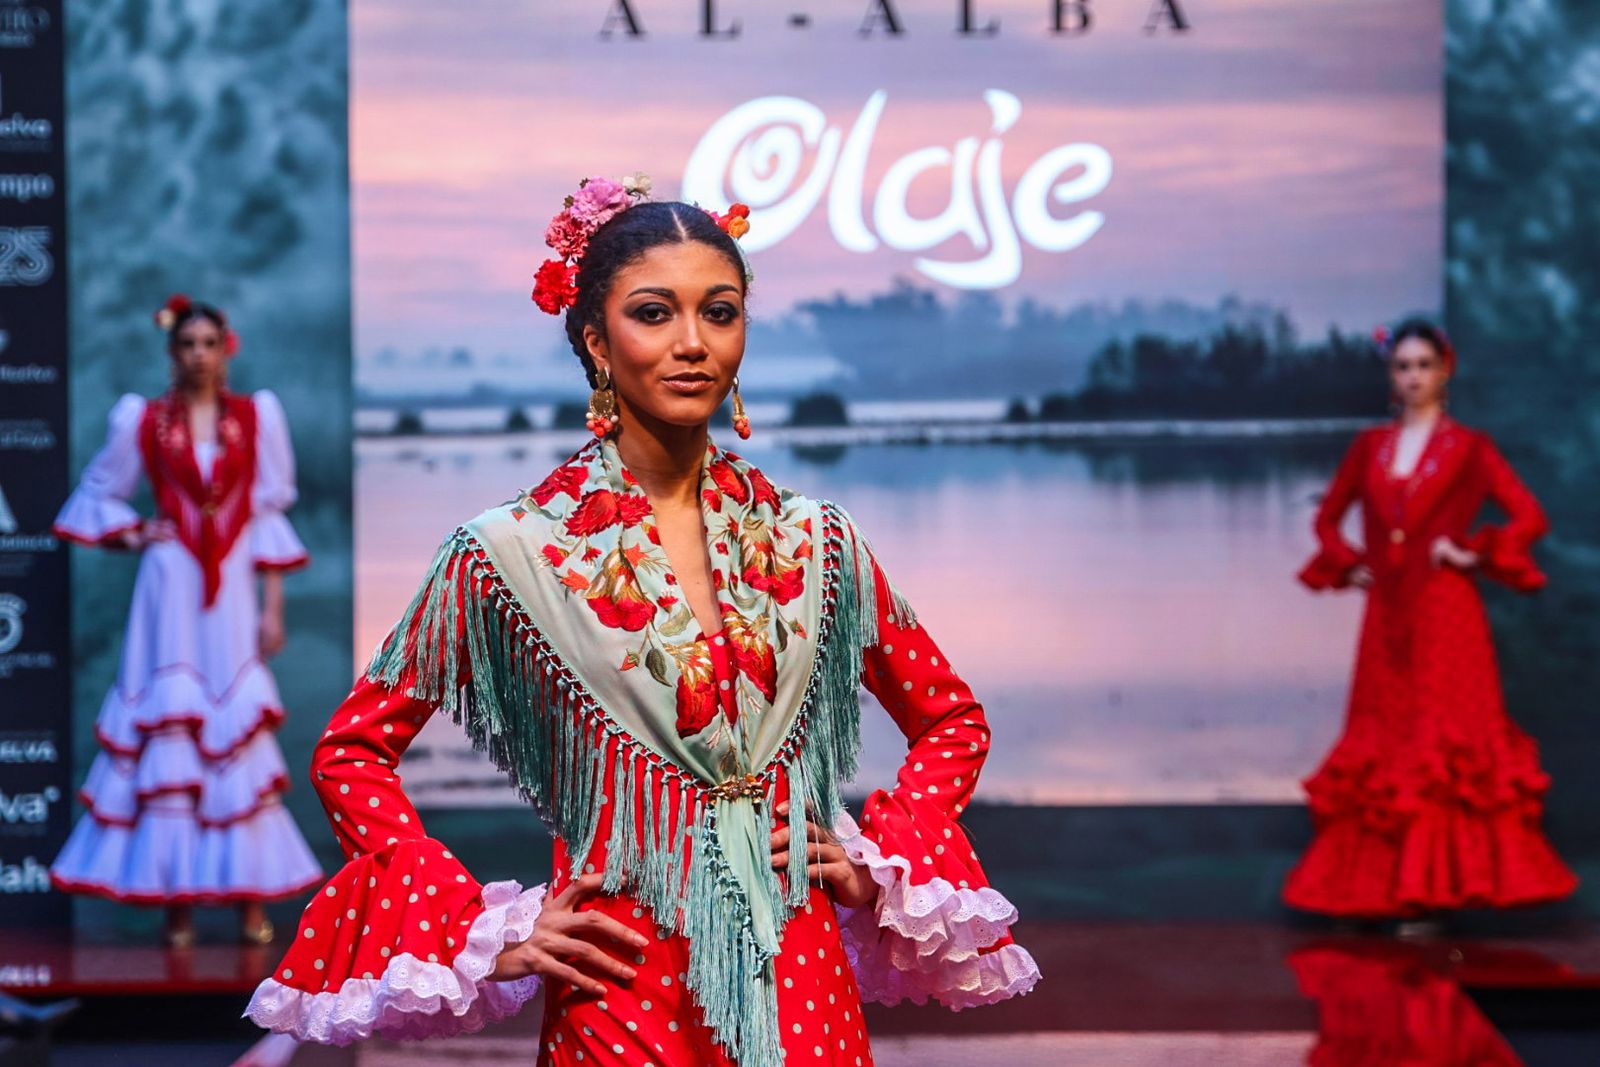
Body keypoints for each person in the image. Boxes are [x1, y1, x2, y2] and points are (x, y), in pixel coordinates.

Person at [246, 178, 1039, 1065]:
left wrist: (876, 864)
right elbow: (351, 752)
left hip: (802, 981)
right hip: (619, 983)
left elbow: (952, 720)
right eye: (655, 313)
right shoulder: (511, 554)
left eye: (721, 312)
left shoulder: (816, 539)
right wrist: (480, 928)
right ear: (595, 339)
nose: (694, 343)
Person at [50, 295, 322, 946]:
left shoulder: (257, 418)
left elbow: (264, 515)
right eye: (186, 344)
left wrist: (272, 605)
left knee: (231, 728)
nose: (197, 354)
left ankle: (249, 902)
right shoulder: (143, 419)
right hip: (169, 586)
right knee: (172, 731)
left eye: (208, 342)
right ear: (172, 353)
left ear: (227, 347)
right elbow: (98, 493)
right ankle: (176, 905)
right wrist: (139, 530)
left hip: (231, 586)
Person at [1284, 319, 1577, 922]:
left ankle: (1442, 895)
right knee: (1387, 743)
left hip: (1447, 615)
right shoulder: (1371, 447)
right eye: (1402, 366)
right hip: (1387, 616)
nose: (1412, 377)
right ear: (1391, 377)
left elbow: (1529, 516)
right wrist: (1348, 563)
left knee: (1442, 748)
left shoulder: (1469, 449)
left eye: (1423, 365)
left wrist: (1472, 551)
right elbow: (1327, 519)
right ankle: (1386, 895)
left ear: (1445, 371)